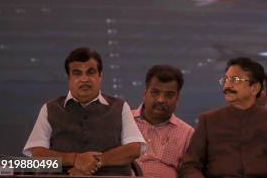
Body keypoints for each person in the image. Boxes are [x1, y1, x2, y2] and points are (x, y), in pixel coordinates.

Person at [23, 47, 145, 176]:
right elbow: (37, 155)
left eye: (90, 72)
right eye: (77, 73)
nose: (84, 79)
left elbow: (134, 149)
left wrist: (97, 161)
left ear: (100, 76)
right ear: (68, 78)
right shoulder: (50, 108)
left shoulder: (119, 106)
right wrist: (75, 159)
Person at [179, 57, 267, 178]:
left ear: (254, 88)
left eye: (235, 79)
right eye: (225, 80)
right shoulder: (208, 120)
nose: (227, 85)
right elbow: (190, 166)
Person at [133, 65, 194, 178]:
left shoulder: (187, 133)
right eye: (155, 92)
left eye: (169, 95)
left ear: (177, 99)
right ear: (145, 93)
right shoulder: (124, 121)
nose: (161, 100)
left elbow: (190, 171)